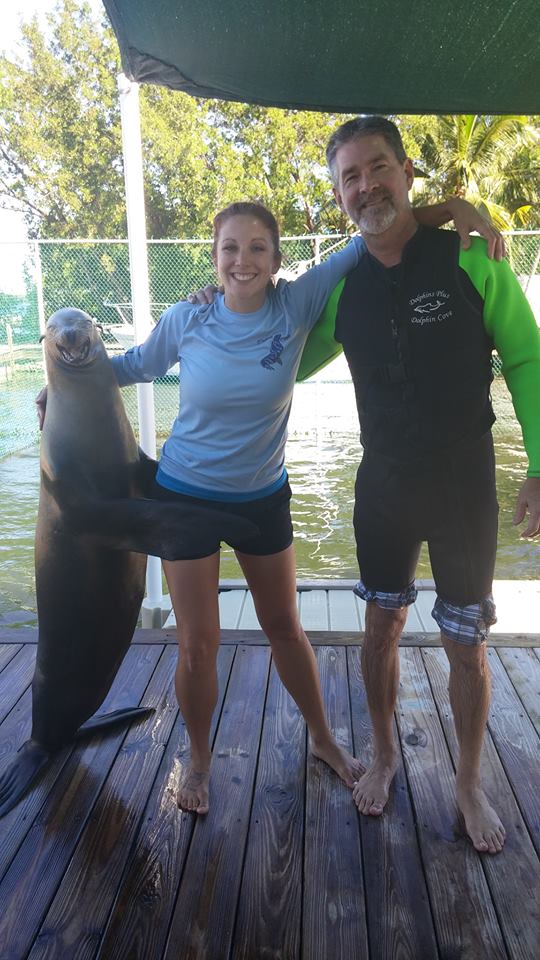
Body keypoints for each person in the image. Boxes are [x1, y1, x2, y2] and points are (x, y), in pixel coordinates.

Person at [118, 195, 502, 817]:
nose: (242, 261)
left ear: (275, 259)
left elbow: (373, 229)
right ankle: (198, 758)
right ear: (214, 258)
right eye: (230, 249)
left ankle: (322, 737)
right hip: (184, 496)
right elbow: (135, 365)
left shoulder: (296, 303)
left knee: (286, 627)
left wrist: (451, 207)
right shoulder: (187, 320)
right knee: (197, 643)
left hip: (261, 496)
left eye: (257, 248)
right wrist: (70, 379)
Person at [316, 116, 540, 854]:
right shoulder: (339, 286)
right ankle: (383, 755)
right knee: (379, 628)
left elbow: (528, 362)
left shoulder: (474, 256)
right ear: (340, 194)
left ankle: (470, 782)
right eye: (350, 176)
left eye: (377, 167)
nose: (365, 185)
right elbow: (266, 355)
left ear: (408, 171)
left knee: (467, 644)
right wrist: (200, 311)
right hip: (383, 482)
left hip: (463, 484)